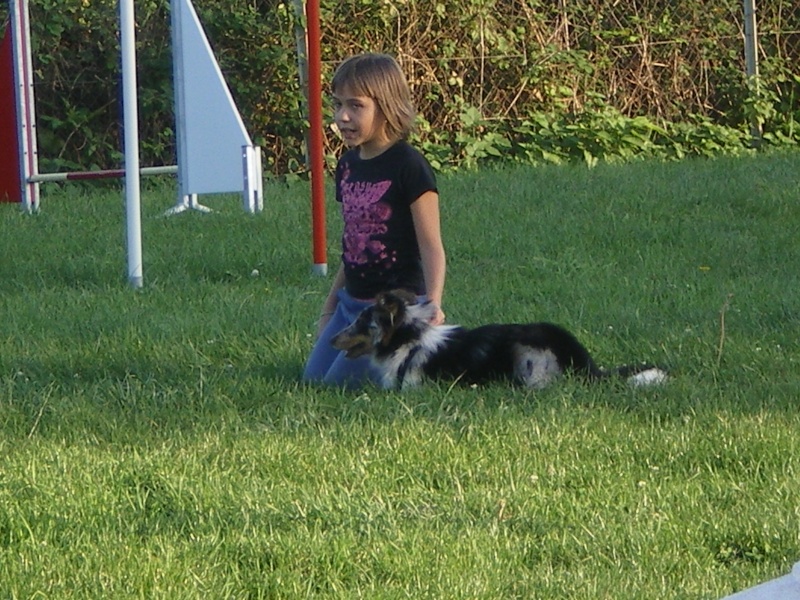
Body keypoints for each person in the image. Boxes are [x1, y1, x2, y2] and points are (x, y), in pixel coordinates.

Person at [302, 52, 446, 388]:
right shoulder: (348, 165)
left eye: (355, 106)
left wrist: (434, 303)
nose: (342, 117)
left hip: (391, 314)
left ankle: (416, 360)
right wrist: (330, 306)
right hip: (350, 305)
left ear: (386, 105)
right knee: (313, 380)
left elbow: (431, 245)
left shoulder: (409, 166)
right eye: (337, 105)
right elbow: (354, 244)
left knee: (340, 386)